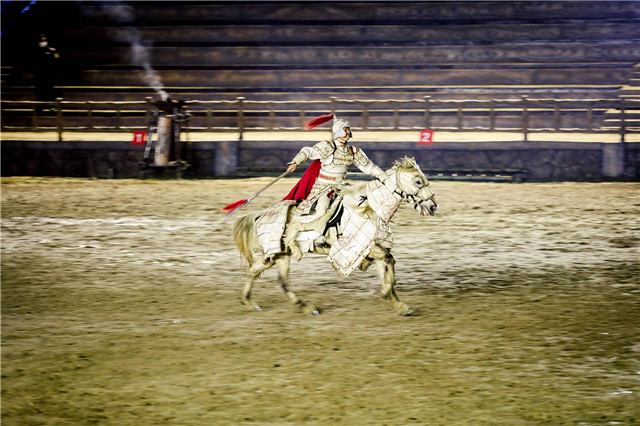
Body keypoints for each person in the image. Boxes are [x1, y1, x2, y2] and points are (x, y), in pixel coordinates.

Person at [34, 35, 60, 108]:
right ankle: (39, 107)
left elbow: (56, 62)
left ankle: (51, 106)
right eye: (41, 41)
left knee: (50, 91)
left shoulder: (52, 51)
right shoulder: (36, 52)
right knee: (39, 92)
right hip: (39, 76)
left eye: (43, 41)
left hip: (49, 75)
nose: (42, 43)